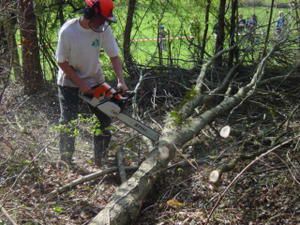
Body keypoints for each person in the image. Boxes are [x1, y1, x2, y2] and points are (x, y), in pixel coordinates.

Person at [55, 0, 128, 167]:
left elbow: (114, 56)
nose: (103, 23)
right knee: (68, 119)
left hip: (94, 78)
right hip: (68, 79)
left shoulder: (103, 29)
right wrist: (80, 83)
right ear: (89, 13)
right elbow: (61, 62)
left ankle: (100, 159)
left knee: (106, 115)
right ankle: (66, 159)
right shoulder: (68, 31)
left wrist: (120, 81)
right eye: (100, 19)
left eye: (105, 20)